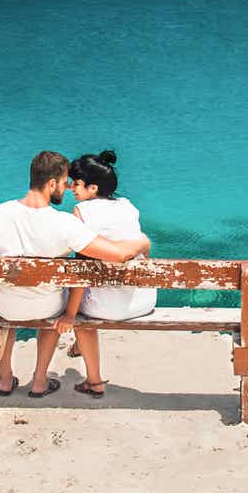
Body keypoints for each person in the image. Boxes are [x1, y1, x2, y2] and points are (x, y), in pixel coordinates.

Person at [0, 151, 150, 398]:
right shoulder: (64, 224)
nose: (67, 187)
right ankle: (39, 381)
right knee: (55, 310)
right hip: (46, 308)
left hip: (4, 305)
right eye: (64, 182)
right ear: (51, 184)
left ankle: (5, 379)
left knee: (7, 308)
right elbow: (118, 253)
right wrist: (142, 242)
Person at [56, 150, 154, 398]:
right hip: (143, 301)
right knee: (94, 288)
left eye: (76, 184)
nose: (71, 189)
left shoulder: (81, 212)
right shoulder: (128, 205)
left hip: (110, 308)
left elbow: (82, 270)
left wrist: (70, 314)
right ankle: (79, 346)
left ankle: (94, 381)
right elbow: (143, 250)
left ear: (92, 187)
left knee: (78, 313)